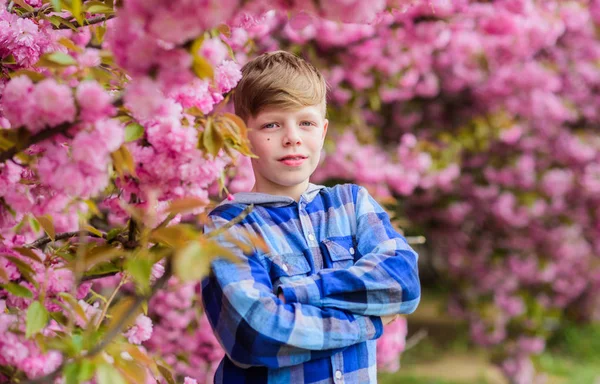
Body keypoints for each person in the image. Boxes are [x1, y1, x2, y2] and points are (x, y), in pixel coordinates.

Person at [201, 50, 421, 384]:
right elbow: (257, 334)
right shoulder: (231, 226)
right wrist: (370, 323)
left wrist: (295, 293)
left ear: (323, 130)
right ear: (242, 137)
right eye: (272, 124)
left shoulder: (352, 204)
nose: (293, 137)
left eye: (306, 122)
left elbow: (402, 285)